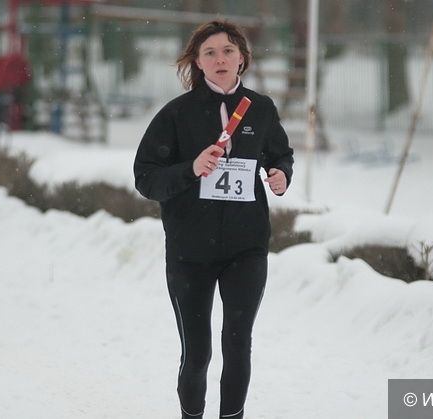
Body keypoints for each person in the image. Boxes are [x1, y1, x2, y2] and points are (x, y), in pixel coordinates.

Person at [134, 20, 294, 419]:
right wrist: (191, 168)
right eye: (210, 53)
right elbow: (146, 177)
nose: (220, 59)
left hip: (246, 247)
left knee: (238, 344)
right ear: (197, 62)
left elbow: (279, 154)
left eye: (227, 51)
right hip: (190, 251)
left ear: (242, 58)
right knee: (198, 352)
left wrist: (280, 174)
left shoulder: (261, 108)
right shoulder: (177, 114)